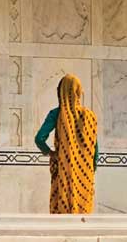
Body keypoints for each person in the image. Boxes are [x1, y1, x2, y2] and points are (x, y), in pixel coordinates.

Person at [35, 74, 99, 215]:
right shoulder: (90, 116)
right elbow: (95, 149)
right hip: (84, 175)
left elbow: (39, 139)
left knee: (61, 214)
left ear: (60, 92)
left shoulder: (57, 114)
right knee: (83, 215)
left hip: (63, 170)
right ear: (78, 92)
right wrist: (89, 169)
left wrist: (51, 153)